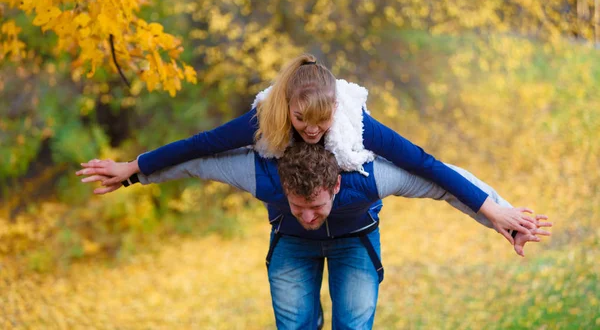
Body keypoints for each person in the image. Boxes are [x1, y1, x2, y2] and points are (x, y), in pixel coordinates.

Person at [78, 143, 552, 330]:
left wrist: (499, 213)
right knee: (296, 326)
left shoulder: (371, 175)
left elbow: (446, 179)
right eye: (298, 204)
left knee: (353, 325)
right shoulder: (258, 173)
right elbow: (193, 160)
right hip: (290, 248)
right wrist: (134, 172)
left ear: (337, 186)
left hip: (355, 243)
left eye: (316, 205)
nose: (308, 214)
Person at [84, 53, 537, 240]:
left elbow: (427, 166)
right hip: (289, 219)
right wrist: (134, 168)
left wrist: (492, 211)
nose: (311, 130)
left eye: (319, 121)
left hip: (353, 207)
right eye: (301, 120)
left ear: (334, 112)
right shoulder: (266, 121)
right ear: (286, 110)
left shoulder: (357, 127)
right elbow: (200, 148)